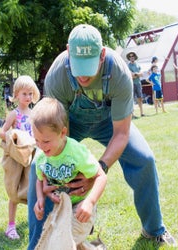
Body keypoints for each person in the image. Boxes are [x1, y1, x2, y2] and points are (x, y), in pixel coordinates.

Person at [27, 23, 177, 249]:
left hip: (109, 123)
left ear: (102, 54)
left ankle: (154, 229)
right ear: (68, 51)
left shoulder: (119, 73)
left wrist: (98, 170)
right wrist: (52, 176)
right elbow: (57, 135)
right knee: (39, 169)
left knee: (144, 160)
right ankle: (39, 243)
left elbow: (122, 133)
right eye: (78, 66)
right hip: (68, 124)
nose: (84, 75)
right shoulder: (57, 77)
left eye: (89, 66)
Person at [31, 97, 107, 248]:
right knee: (60, 240)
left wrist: (89, 202)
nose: (41, 146)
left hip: (81, 207)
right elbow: (40, 179)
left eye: (46, 141)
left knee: (62, 241)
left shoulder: (75, 152)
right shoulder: (41, 156)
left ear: (62, 133)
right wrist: (40, 198)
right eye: (36, 140)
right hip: (60, 208)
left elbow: (101, 176)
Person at [0, 75, 40, 240]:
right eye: (24, 94)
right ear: (16, 94)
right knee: (14, 192)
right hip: (17, 158)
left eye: (30, 93)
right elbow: (2, 132)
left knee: (32, 189)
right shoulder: (14, 114)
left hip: (30, 156)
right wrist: (13, 136)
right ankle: (11, 226)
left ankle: (35, 223)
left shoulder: (34, 113)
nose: (28, 97)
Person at [126, 51, 145, 118]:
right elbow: (131, 75)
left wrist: (136, 74)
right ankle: (132, 114)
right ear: (129, 58)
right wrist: (137, 74)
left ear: (135, 57)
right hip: (132, 84)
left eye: (132, 56)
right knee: (132, 99)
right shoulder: (128, 66)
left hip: (138, 83)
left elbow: (142, 74)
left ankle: (142, 113)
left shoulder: (138, 64)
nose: (131, 57)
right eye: (130, 56)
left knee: (140, 98)